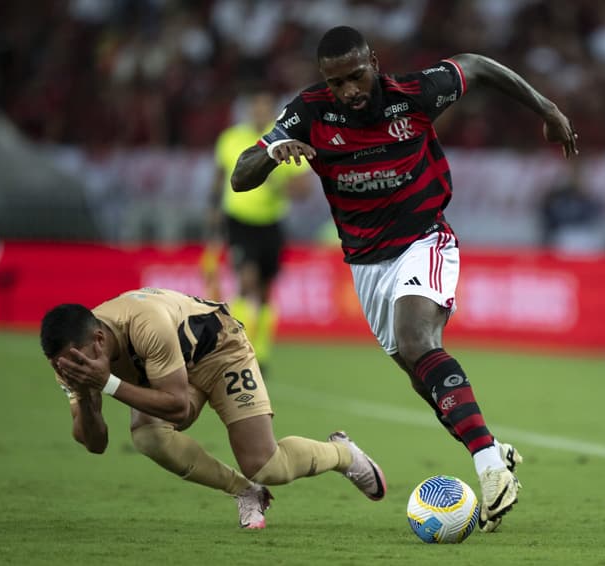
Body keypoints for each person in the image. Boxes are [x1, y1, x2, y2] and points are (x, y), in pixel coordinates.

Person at [230, 25, 578, 533]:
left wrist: (547, 109)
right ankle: (495, 452)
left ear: (374, 61)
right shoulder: (308, 113)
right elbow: (241, 175)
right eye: (337, 82)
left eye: (356, 75)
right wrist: (271, 153)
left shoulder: (414, 94)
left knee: (418, 339)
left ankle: (487, 467)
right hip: (367, 265)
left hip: (424, 239)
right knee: (422, 376)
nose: (349, 90)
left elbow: (476, 65)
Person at [39, 287, 385, 529]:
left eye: (77, 362)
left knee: (265, 465)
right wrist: (84, 395)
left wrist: (107, 384)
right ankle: (244, 492)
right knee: (148, 436)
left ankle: (342, 453)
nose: (71, 369)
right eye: (62, 366)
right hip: (168, 367)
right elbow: (95, 444)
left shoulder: (144, 324)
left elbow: (177, 408)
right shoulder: (74, 363)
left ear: (99, 340)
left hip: (220, 350)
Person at [205, 89, 313, 373]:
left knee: (265, 291)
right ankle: (242, 349)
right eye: (256, 106)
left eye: (266, 107)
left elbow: (304, 188)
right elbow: (219, 178)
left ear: (273, 111)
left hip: (271, 223)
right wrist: (213, 210)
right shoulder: (230, 139)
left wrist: (280, 186)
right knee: (246, 282)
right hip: (239, 221)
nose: (260, 112)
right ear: (249, 109)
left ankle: (261, 353)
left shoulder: (283, 140)